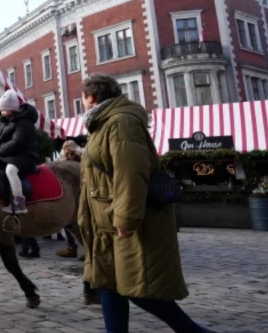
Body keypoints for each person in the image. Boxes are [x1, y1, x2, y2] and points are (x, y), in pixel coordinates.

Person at [78, 74, 215, 333]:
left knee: (139, 287)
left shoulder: (121, 122)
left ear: (92, 97)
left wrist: (126, 220)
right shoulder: (103, 123)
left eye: (83, 97)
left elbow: (130, 173)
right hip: (104, 220)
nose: (83, 102)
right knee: (109, 283)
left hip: (126, 220)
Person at [0, 90, 41, 214]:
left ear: (11, 109)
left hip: (26, 156)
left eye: (4, 109)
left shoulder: (25, 123)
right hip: (13, 155)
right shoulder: (9, 121)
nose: (1, 112)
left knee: (10, 170)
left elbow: (17, 142)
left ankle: (19, 203)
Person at [57, 140, 83, 258]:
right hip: (71, 196)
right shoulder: (63, 164)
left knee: (83, 224)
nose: (69, 156)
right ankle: (71, 247)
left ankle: (89, 250)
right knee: (68, 223)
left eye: (71, 153)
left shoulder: (82, 162)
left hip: (82, 196)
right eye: (67, 153)